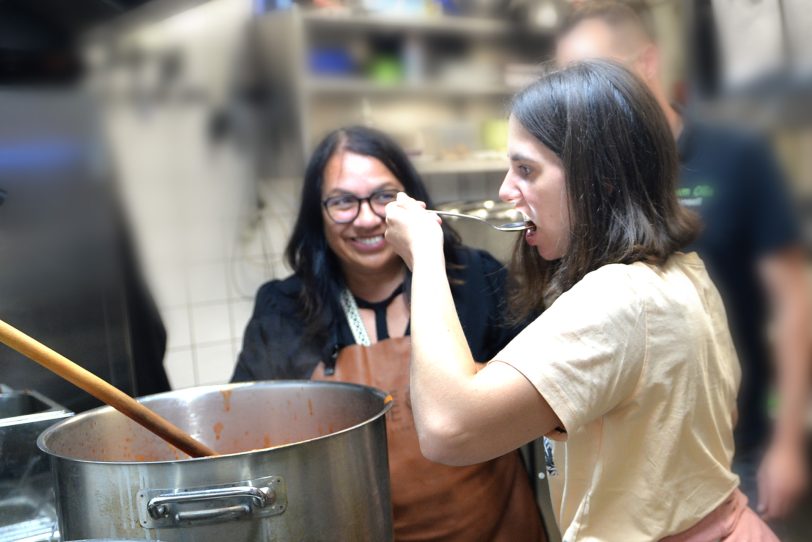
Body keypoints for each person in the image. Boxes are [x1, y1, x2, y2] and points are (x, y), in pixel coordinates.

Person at [385, 59, 779, 541]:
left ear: (603, 179)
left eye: (526, 169)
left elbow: (448, 428)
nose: (506, 190)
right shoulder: (682, 271)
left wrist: (425, 255)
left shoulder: (619, 298)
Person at [555, 1, 811, 524]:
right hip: (629, 455)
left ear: (646, 61)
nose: (577, 98)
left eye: (594, 73)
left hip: (734, 446)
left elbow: (794, 300)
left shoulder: (734, 155)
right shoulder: (585, 179)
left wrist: (788, 443)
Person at [231, 126, 546, 541]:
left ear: (414, 203)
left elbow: (545, 398)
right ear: (316, 213)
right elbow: (247, 441)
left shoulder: (478, 280)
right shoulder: (282, 310)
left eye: (384, 197)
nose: (366, 219)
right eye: (343, 201)